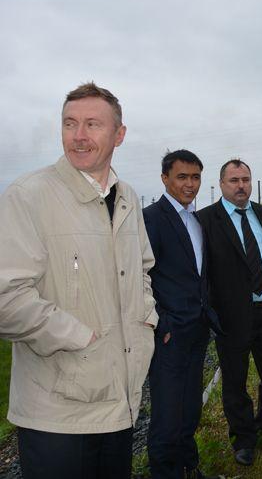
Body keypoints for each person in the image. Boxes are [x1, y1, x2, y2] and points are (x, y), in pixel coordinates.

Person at [0, 82, 157, 478]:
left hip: (119, 402)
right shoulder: (28, 195)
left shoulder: (128, 197)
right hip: (57, 414)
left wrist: (145, 318)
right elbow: (7, 298)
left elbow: (142, 269)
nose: (79, 136)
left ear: (119, 134)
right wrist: (79, 338)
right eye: (70, 124)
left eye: (92, 124)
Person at [198, 159, 262, 467]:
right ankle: (244, 438)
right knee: (235, 382)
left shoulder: (261, 213)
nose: (241, 185)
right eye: (234, 180)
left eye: (246, 179)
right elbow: (203, 271)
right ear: (222, 184)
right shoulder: (206, 220)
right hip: (232, 318)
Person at [144, 149, 222, 479]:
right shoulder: (152, 218)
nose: (190, 184)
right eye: (182, 177)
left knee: (189, 407)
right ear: (165, 179)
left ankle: (189, 467)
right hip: (170, 333)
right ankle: (165, 472)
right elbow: (139, 275)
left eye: (195, 177)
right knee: (167, 413)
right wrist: (160, 321)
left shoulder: (196, 219)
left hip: (196, 328)